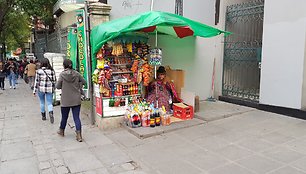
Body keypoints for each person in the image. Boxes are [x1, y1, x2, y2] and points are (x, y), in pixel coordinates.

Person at [56, 59, 86, 142]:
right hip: (76, 99)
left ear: (64, 65)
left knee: (64, 117)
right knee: (76, 117)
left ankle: (61, 131)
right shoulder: (77, 74)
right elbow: (84, 81)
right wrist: (78, 85)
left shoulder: (62, 75)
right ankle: (79, 135)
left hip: (65, 100)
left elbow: (58, 86)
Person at [33, 58, 56, 123]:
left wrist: (34, 91)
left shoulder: (39, 71)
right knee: (49, 103)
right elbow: (54, 81)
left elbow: (36, 81)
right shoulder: (52, 71)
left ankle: (43, 116)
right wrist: (54, 88)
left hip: (41, 89)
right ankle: (51, 113)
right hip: (49, 89)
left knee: (42, 102)